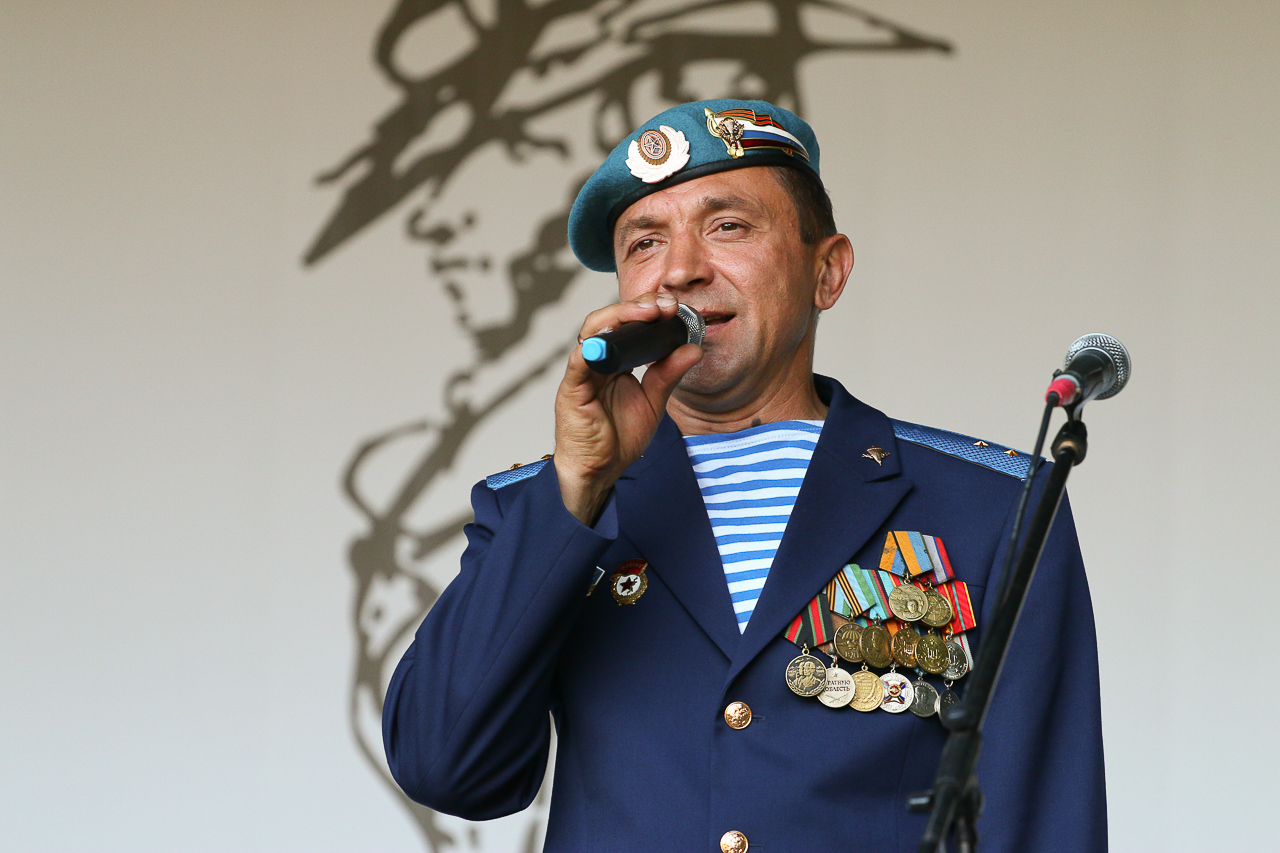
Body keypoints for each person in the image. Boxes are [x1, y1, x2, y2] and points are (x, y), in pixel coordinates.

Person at [382, 99, 1107, 852]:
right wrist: (578, 481)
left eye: (727, 226)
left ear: (826, 271)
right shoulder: (546, 505)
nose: (681, 270)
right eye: (645, 242)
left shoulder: (994, 504)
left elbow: (1045, 819)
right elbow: (446, 768)